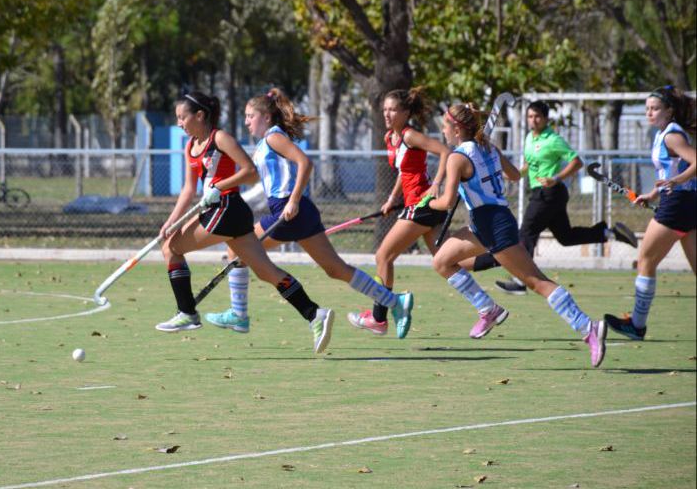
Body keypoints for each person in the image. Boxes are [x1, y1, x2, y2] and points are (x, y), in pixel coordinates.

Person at [204, 88, 413, 337]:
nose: (247, 121)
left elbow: (306, 163)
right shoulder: (264, 144)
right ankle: (394, 302)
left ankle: (239, 315)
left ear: (267, 118)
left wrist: (292, 201)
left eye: (251, 116)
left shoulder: (273, 137)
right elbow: (266, 184)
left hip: (288, 210)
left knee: (235, 248)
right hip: (299, 211)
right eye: (246, 117)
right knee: (336, 269)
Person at [427, 102, 606, 368]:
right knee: (442, 262)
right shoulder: (488, 146)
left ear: (455, 128)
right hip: (485, 221)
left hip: (493, 225)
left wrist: (427, 201)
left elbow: (447, 201)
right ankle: (489, 309)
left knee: (537, 282)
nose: (441, 130)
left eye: (444, 125)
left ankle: (587, 327)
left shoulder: (457, 158)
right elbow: (513, 175)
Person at [156, 92, 335, 354]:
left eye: (183, 118)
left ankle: (187, 312)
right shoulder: (190, 147)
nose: (180, 123)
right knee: (266, 272)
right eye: (177, 119)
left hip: (227, 209)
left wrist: (220, 185)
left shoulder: (220, 138)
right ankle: (314, 314)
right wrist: (171, 222)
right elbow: (187, 190)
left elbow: (249, 172)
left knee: (171, 249)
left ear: (199, 115)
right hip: (224, 213)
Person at [462, 100, 638, 295]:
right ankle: (609, 233)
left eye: (537, 116)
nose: (533, 120)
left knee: (526, 233)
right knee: (565, 237)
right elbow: (529, 165)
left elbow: (576, 162)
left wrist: (556, 178)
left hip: (550, 193)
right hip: (542, 194)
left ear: (546, 118)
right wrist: (510, 173)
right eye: (530, 116)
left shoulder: (553, 139)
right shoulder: (529, 138)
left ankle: (521, 281)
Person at [346, 87, 451, 335]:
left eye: (393, 109)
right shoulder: (389, 138)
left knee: (383, 256)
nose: (387, 114)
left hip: (422, 206)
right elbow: (404, 173)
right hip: (413, 205)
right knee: (447, 260)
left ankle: (379, 317)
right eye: (385, 109)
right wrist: (392, 198)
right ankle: (487, 304)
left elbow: (445, 152)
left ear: (405, 112)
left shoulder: (410, 135)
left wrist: (436, 185)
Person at [605, 85, 696, 340]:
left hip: (678, 203)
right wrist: (653, 194)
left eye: (655, 108)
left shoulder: (671, 135)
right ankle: (637, 324)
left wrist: (676, 182)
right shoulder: (662, 134)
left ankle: (637, 325)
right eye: (646, 109)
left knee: (646, 260)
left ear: (669, 110)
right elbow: (668, 172)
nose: (649, 113)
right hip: (682, 201)